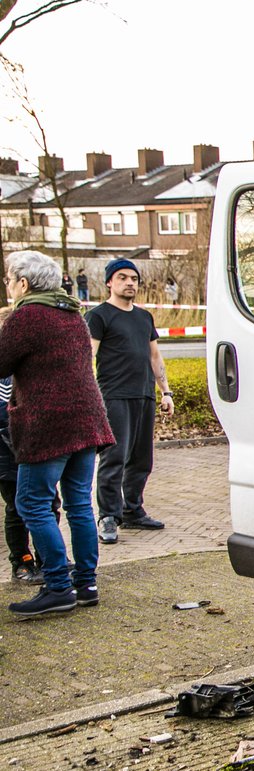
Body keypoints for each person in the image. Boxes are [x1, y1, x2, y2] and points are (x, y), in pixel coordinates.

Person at [0, 250, 115, 616]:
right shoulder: (72, 314)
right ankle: (86, 583)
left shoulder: (27, 316)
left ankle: (57, 586)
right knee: (80, 503)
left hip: (48, 424)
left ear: (23, 283)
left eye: (8, 279)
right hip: (87, 419)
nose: (8, 286)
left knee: (31, 503)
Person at [87, 258, 173, 544]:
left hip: (144, 396)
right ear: (110, 282)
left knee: (141, 459)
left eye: (134, 278)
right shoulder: (99, 316)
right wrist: (89, 397)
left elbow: (154, 356)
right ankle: (108, 517)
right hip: (114, 397)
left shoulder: (144, 317)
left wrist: (166, 392)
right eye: (122, 277)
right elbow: (88, 358)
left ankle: (133, 510)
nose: (129, 283)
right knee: (114, 458)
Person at [0, 375, 45, 584]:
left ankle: (48, 558)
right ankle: (21, 561)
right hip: (8, 453)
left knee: (49, 503)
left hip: (39, 448)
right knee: (16, 508)